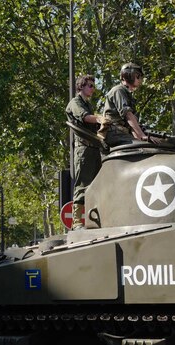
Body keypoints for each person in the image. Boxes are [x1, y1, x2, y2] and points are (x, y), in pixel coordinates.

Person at [65, 74, 102, 229]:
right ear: (81, 86)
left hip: (94, 148)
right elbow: (85, 117)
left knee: (96, 184)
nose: (92, 89)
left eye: (93, 86)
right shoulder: (76, 103)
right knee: (83, 185)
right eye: (90, 86)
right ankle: (77, 221)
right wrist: (101, 118)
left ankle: (93, 218)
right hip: (84, 150)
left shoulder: (87, 103)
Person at [99, 63, 147, 146]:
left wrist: (142, 139)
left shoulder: (127, 94)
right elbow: (127, 114)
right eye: (137, 76)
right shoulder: (118, 90)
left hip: (122, 132)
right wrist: (142, 135)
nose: (140, 79)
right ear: (128, 75)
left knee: (144, 146)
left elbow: (131, 125)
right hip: (114, 132)